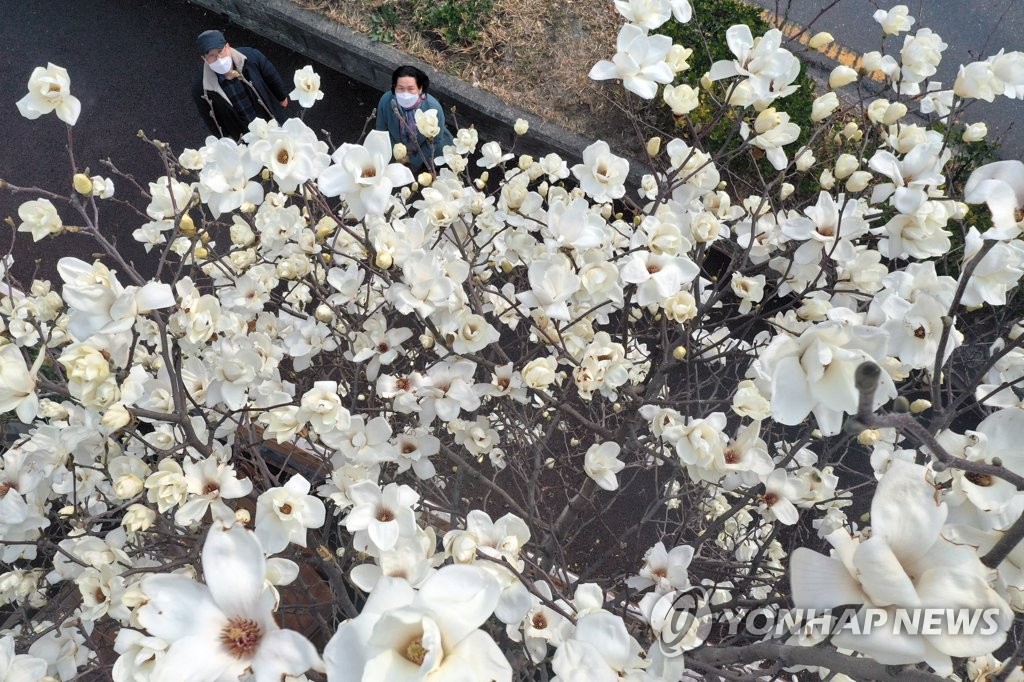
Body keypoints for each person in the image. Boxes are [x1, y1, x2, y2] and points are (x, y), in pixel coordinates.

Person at [192, 30, 291, 140]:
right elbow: (210, 117)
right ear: (204, 59)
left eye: (220, 51)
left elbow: (271, 76)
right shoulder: (201, 88)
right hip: (244, 132)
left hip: (269, 117)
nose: (219, 59)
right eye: (212, 56)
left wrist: (281, 97)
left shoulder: (251, 57)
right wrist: (224, 137)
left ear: (228, 47)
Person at [375, 65, 454, 173]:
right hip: (398, 146)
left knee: (420, 167)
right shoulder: (386, 101)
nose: (405, 94)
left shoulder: (433, 108)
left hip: (423, 147)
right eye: (401, 88)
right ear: (394, 87)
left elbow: (435, 141)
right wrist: (397, 151)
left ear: (420, 88)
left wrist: (414, 160)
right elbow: (381, 130)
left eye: (411, 89)